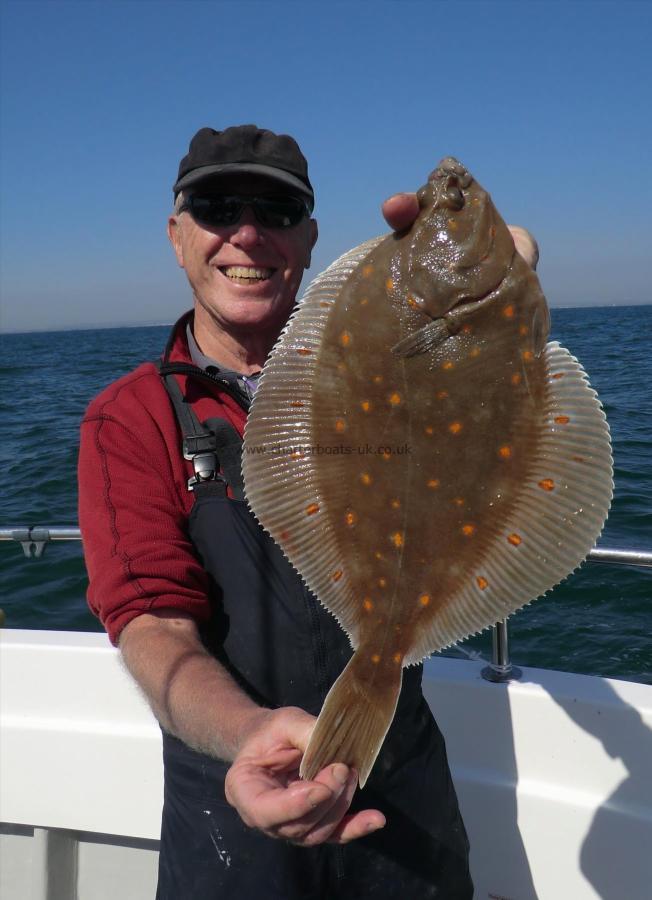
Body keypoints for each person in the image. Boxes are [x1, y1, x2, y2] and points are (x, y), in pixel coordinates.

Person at [79, 124, 537, 899]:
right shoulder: (131, 418)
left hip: (406, 807)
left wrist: (499, 287)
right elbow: (152, 621)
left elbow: (483, 403)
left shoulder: (398, 352)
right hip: (232, 805)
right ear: (177, 235)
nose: (248, 233)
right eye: (218, 207)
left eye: (279, 210)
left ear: (311, 235)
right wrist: (245, 734)